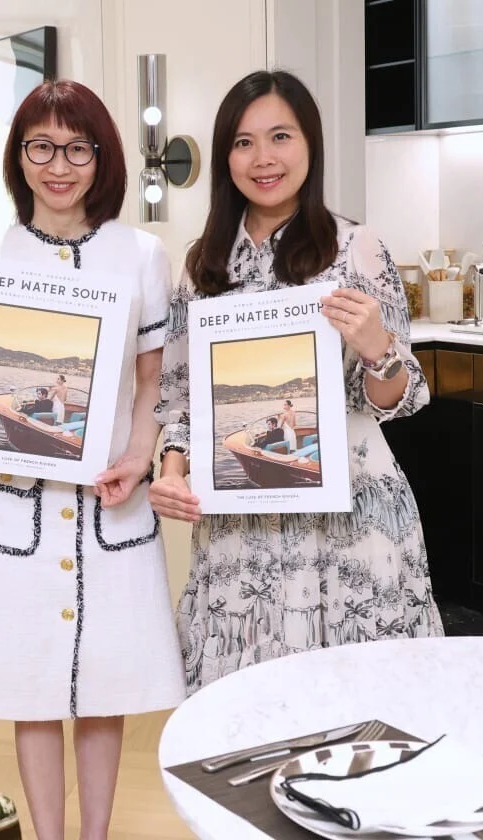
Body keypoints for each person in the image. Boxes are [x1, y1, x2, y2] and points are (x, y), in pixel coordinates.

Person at [0, 80, 184, 840]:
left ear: (102, 157)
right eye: (41, 147)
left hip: (111, 501)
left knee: (106, 688)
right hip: (19, 504)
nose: (59, 166)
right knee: (32, 687)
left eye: (78, 149)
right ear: (19, 158)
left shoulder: (141, 255)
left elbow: (155, 380)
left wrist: (140, 457)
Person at [149, 70, 443, 690]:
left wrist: (378, 348)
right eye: (244, 142)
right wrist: (172, 471)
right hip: (241, 525)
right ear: (226, 156)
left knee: (362, 705)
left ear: (310, 143)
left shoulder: (357, 248)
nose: (264, 158)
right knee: (244, 706)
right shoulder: (203, 265)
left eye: (280, 136)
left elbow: (402, 398)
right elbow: (181, 400)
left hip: (351, 518)